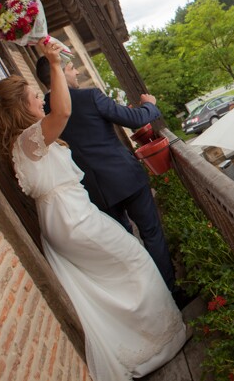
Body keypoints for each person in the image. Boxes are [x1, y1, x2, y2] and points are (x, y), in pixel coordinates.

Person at [0, 42, 186, 380]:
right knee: (134, 257)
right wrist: (53, 60)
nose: (41, 101)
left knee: (110, 279)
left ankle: (138, 336)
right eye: (35, 98)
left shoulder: (22, 141)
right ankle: (156, 340)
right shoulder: (32, 138)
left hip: (70, 214)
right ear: (21, 106)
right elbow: (62, 112)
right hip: (73, 218)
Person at [36, 56, 177, 291]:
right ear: (58, 73)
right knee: (151, 233)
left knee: (125, 245)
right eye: (71, 68)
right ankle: (171, 291)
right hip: (126, 178)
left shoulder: (44, 113)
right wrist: (149, 104)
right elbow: (135, 119)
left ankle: (149, 294)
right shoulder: (90, 97)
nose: (77, 73)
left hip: (94, 190)